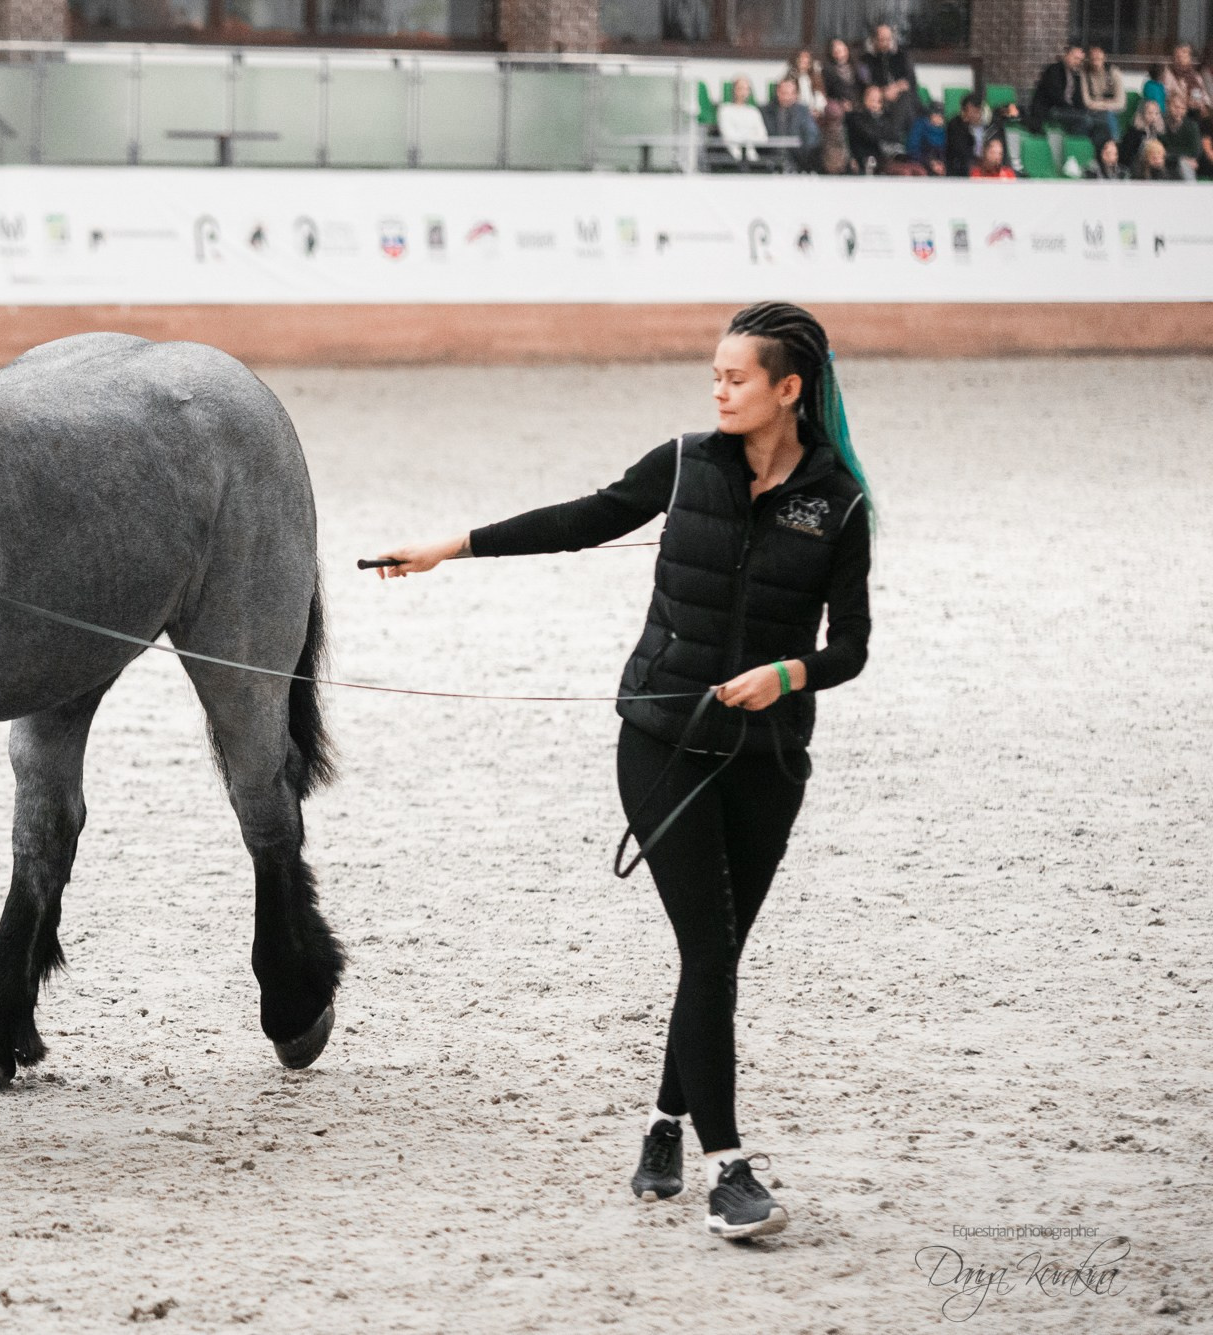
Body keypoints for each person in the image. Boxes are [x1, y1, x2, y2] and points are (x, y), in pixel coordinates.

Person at [367, 302, 873, 1244]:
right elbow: (586, 519)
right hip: (660, 743)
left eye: (736, 377)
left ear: (788, 389)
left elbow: (851, 647)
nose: (718, 390)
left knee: (710, 956)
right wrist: (453, 546)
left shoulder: (838, 501)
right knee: (712, 951)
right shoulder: (682, 463)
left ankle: (665, 1124)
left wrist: (787, 673)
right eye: (714, 376)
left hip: (767, 760)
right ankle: (730, 1170)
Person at [1032, 43, 1101, 138]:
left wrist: (1083, 110)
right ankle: (1075, 144)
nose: (1078, 62)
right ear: (1067, 55)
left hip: (1068, 110)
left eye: (1080, 60)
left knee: (1100, 121)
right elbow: (1055, 96)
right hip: (1052, 109)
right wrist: (1073, 110)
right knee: (1085, 120)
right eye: (1075, 58)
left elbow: (1078, 98)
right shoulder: (1054, 70)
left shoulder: (1075, 75)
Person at [847, 82, 913, 173]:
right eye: (872, 100)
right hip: (868, 158)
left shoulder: (885, 117)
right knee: (903, 172)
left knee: (916, 169)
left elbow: (893, 134)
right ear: (864, 100)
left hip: (886, 157)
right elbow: (872, 136)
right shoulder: (857, 118)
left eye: (878, 101)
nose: (875, 105)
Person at [761, 77, 820, 171]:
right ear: (777, 92)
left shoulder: (803, 111)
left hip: (798, 160)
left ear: (795, 95)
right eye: (784, 93)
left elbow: (811, 135)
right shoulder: (765, 111)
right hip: (770, 159)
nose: (787, 97)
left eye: (790, 93)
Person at [715, 76, 769, 167]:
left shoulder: (754, 111)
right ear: (733, 90)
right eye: (740, 88)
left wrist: (741, 137)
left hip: (753, 158)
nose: (743, 92)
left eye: (746, 89)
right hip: (731, 159)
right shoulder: (725, 110)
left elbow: (763, 137)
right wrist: (750, 135)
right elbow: (728, 137)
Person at [863, 22, 919, 111]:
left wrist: (896, 88)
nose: (886, 43)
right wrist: (883, 92)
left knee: (905, 100)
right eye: (882, 40)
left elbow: (910, 80)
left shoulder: (902, 56)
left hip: (902, 97)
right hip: (879, 98)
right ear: (874, 41)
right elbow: (866, 82)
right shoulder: (866, 60)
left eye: (888, 39)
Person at [1081, 46, 1127, 141]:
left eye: (1099, 59)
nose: (1096, 63)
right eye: (1093, 59)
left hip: (1111, 110)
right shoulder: (1085, 73)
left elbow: (1121, 103)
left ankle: (1114, 143)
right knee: (1088, 120)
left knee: (1108, 115)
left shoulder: (1114, 72)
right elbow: (1087, 101)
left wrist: (1101, 104)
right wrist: (1103, 104)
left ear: (1104, 58)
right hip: (1092, 111)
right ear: (1089, 60)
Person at [944, 92, 989, 176]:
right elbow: (960, 151)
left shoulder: (990, 126)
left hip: (987, 162)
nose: (975, 115)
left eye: (977, 111)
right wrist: (964, 126)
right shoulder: (955, 125)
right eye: (971, 111)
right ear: (963, 112)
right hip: (965, 165)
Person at [1160, 99, 1205, 180]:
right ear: (1168, 106)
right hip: (1164, 161)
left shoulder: (1192, 126)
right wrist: (1180, 158)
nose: (1179, 111)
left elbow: (1195, 150)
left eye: (1182, 108)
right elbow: (1160, 150)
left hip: (1184, 163)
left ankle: (1190, 190)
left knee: (1184, 164)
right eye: (1176, 107)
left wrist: (1175, 155)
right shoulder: (1161, 124)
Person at [1162, 43, 1211, 115]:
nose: (1183, 56)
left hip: (1197, 111)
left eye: (1187, 54)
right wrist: (1185, 100)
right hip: (1179, 111)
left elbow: (1204, 94)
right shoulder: (1168, 74)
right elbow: (1167, 93)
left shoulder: (1195, 76)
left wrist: (1205, 105)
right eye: (1181, 53)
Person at [1121, 95, 1167, 166]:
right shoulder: (1134, 132)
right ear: (1142, 114)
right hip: (1137, 165)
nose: (1153, 117)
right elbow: (1127, 154)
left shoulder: (1158, 132)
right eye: (1150, 113)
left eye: (1156, 113)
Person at [821, 38, 865, 110]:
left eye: (842, 49)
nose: (840, 53)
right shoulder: (828, 70)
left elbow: (863, 85)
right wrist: (840, 103)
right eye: (836, 50)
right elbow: (828, 92)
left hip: (858, 103)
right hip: (838, 106)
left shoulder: (857, 66)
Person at [783, 48, 827, 113]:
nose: (803, 61)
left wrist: (817, 109)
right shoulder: (791, 76)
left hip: (814, 111)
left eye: (806, 60)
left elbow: (819, 96)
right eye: (801, 59)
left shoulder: (814, 78)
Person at [905, 102, 946, 172]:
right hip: (921, 161)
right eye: (935, 113)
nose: (938, 117)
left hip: (940, 162)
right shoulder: (919, 125)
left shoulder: (945, 129)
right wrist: (930, 162)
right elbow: (913, 148)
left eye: (940, 115)